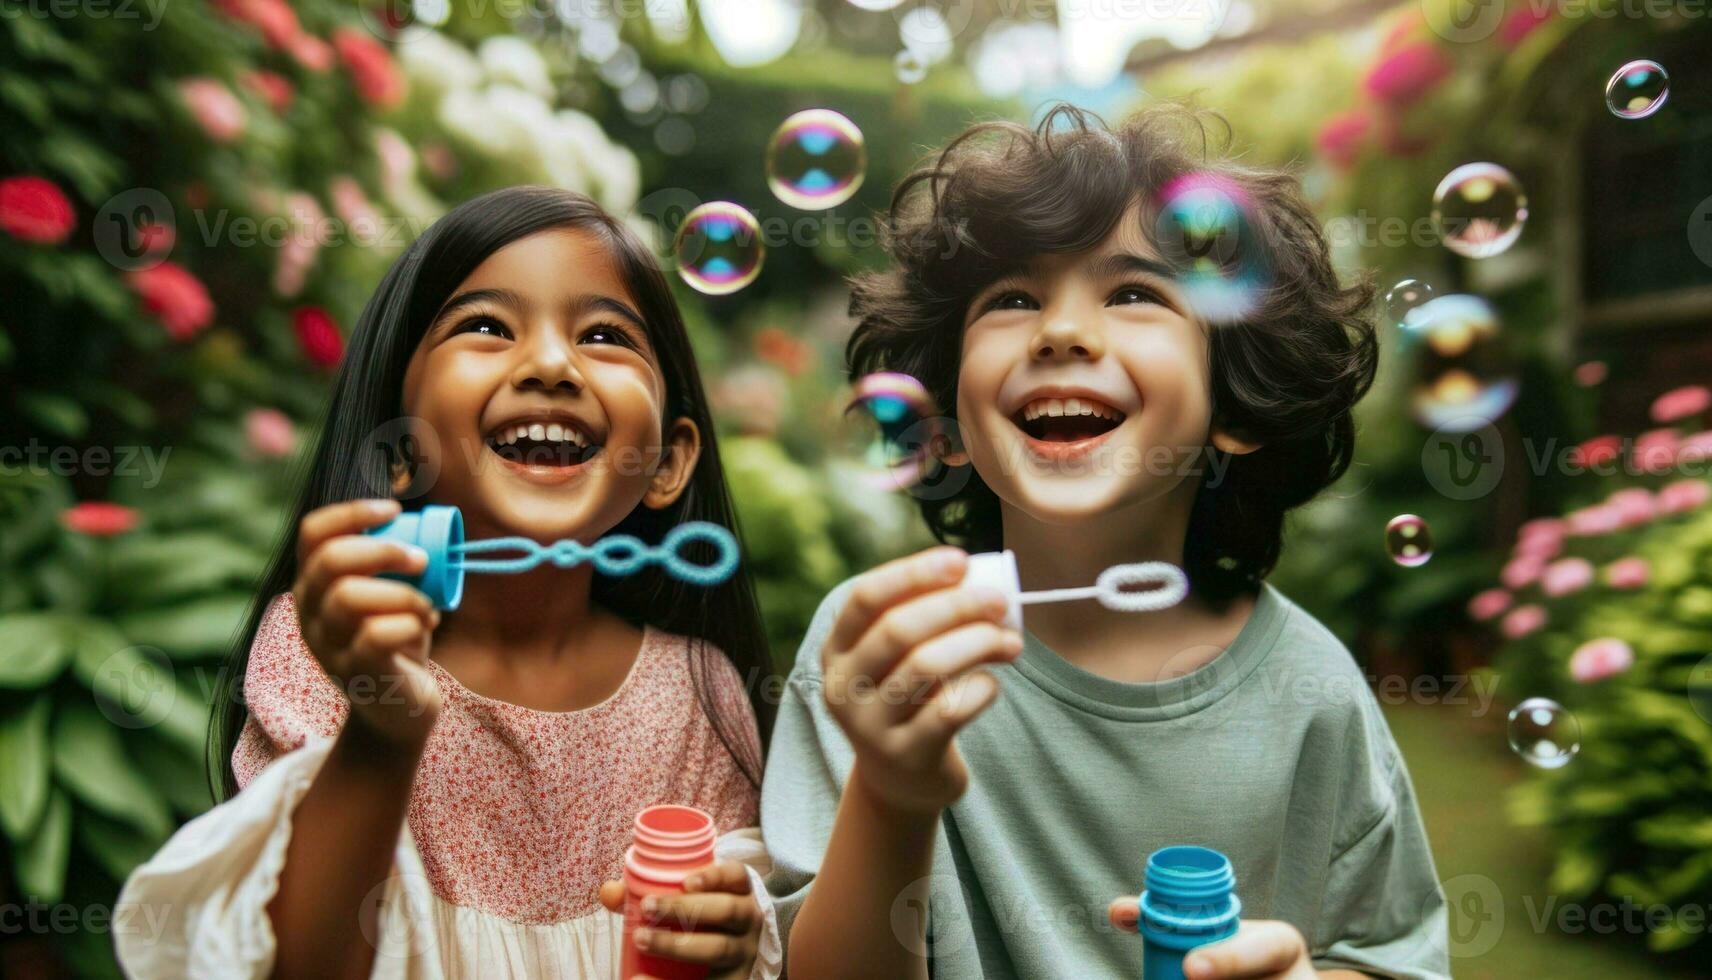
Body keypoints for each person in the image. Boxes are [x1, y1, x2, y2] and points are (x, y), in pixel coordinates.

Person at [762, 104, 1451, 979]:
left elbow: (1388, 957)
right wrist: (891, 797)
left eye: (1133, 293)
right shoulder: (885, 650)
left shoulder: (1309, 689)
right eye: (1011, 299)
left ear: (1234, 404)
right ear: (947, 417)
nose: (1060, 331)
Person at [118, 187, 780, 980]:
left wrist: (730, 935)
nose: (549, 365)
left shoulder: (698, 691)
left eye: (603, 335)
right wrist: (381, 726)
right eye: (487, 327)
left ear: (668, 462)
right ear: (399, 449)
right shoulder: (328, 648)